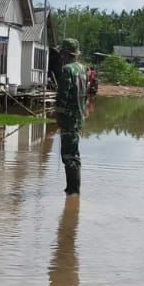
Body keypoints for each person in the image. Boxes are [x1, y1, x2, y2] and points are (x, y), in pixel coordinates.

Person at [55, 38, 88, 195]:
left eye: (62, 53)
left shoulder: (67, 70)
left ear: (65, 53)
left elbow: (63, 96)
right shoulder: (82, 69)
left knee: (69, 155)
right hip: (79, 117)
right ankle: (73, 191)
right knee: (74, 153)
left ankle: (73, 192)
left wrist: (59, 115)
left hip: (69, 118)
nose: (60, 56)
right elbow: (85, 95)